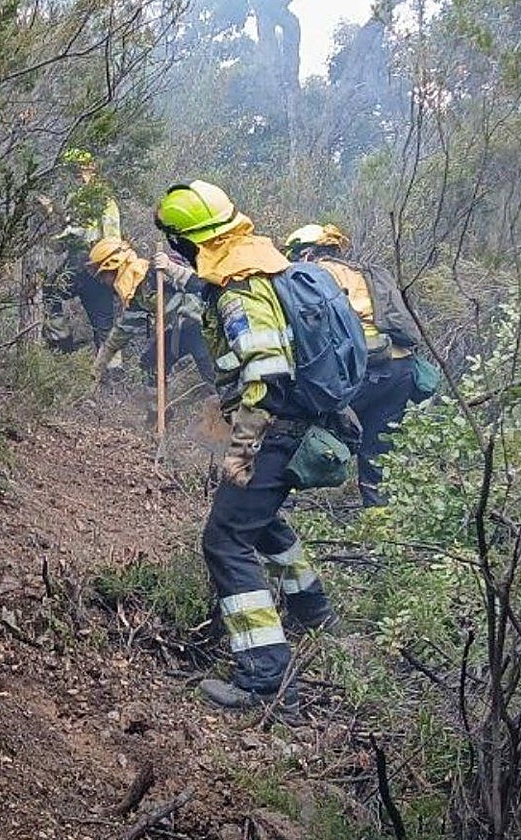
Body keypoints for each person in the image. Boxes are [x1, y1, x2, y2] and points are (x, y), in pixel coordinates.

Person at [154, 180, 339, 717]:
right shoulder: (255, 266)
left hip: (274, 428)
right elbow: (209, 289)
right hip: (293, 424)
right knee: (261, 521)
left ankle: (265, 678)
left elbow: (267, 371)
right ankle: (314, 612)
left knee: (226, 541)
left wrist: (243, 447)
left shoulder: (240, 289)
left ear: (191, 241)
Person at [284, 223, 418, 507]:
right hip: (400, 368)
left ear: (306, 253)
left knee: (300, 427)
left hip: (361, 370)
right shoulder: (363, 273)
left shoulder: (312, 275)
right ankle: (380, 519)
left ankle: (283, 501)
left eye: (294, 256)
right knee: (378, 452)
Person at [86, 237, 214, 386]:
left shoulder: (156, 272)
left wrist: (171, 267)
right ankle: (160, 400)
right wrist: (97, 369)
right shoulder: (135, 297)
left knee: (214, 373)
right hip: (177, 333)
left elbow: (201, 284)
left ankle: (223, 396)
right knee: (150, 366)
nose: (103, 281)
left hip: (202, 325)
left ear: (114, 266)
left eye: (103, 275)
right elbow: (118, 337)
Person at [43, 149, 122, 353]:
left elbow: (112, 238)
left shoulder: (104, 200)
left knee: (103, 323)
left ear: (92, 170)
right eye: (74, 172)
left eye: (80, 171)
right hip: (80, 263)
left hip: (96, 265)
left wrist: (110, 270)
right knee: (51, 291)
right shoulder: (73, 200)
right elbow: (61, 242)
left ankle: (110, 367)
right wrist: (52, 221)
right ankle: (62, 346)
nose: (77, 177)